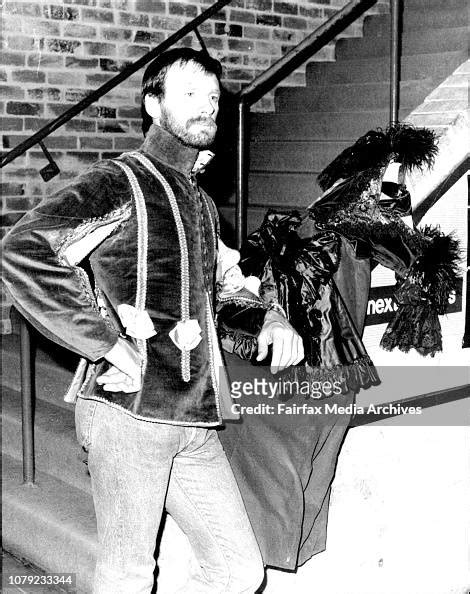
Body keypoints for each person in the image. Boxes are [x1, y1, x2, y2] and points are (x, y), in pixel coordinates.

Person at [2, 48, 304, 593]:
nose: (207, 105)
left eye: (213, 96)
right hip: (129, 414)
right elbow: (23, 250)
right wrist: (108, 344)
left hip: (193, 414)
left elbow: (223, 286)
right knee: (129, 575)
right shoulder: (121, 181)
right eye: (189, 93)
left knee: (238, 571)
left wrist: (272, 320)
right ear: (153, 105)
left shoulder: (202, 204)